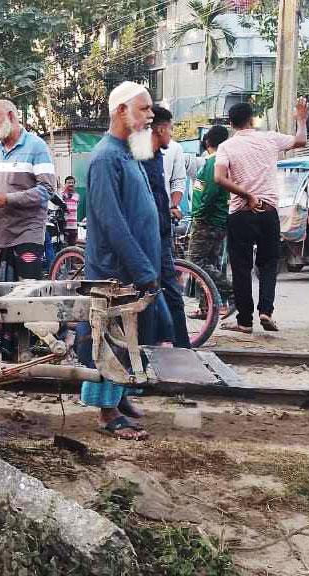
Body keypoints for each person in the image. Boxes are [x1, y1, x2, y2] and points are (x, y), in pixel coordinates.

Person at [79, 82, 172, 441]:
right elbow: (111, 221)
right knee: (111, 340)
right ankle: (107, 413)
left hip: (133, 268)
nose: (150, 115)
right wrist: (143, 269)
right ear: (121, 111)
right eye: (144, 108)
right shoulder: (104, 157)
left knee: (130, 336)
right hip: (114, 271)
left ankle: (119, 399)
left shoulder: (126, 152)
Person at [215, 99, 309, 334]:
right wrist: (301, 118)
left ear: (231, 124)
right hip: (268, 213)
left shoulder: (226, 147)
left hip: (240, 214)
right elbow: (301, 140)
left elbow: (219, 178)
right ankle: (266, 311)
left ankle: (245, 322)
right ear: (251, 119)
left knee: (240, 267)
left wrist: (247, 195)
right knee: (268, 265)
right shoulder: (270, 138)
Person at [0, 99, 55, 282]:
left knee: (26, 296)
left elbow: (47, 190)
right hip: (0, 236)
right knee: (1, 296)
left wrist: (8, 199)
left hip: (28, 234)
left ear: (10, 116)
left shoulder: (37, 147)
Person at [143, 105, 190, 349]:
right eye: (170, 129)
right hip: (149, 239)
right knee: (159, 294)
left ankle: (180, 347)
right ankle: (169, 348)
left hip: (161, 234)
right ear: (160, 129)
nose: (171, 134)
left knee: (170, 293)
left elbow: (168, 188)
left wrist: (172, 207)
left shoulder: (160, 155)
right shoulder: (138, 157)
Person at [188, 126, 234, 316]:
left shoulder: (214, 162)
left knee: (196, 262)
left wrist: (199, 213)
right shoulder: (220, 162)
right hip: (217, 220)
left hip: (208, 220)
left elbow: (209, 193)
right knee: (210, 263)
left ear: (207, 142)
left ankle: (231, 291)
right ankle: (206, 307)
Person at [62, 176, 79, 247]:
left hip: (74, 227)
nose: (71, 184)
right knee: (64, 249)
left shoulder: (77, 196)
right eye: (69, 182)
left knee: (73, 248)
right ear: (65, 184)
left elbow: (76, 207)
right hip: (64, 227)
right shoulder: (62, 195)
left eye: (72, 183)